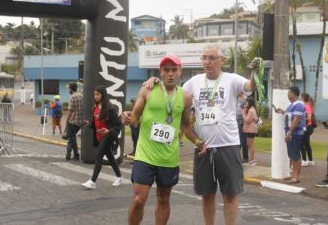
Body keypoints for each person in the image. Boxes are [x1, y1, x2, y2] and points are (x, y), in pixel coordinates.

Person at [144, 44, 256, 225]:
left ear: (222, 61)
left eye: (211, 58)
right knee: (207, 195)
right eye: (204, 58)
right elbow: (172, 90)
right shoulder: (194, 82)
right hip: (203, 146)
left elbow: (250, 85)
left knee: (230, 195)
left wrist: (255, 72)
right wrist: (155, 82)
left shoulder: (231, 79)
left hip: (228, 144)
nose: (207, 62)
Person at [121, 54, 202, 225]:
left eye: (174, 70)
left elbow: (186, 126)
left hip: (168, 159)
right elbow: (135, 117)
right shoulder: (148, 89)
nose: (170, 73)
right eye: (166, 70)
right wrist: (127, 118)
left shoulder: (185, 97)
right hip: (145, 156)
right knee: (138, 200)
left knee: (163, 199)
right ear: (161, 72)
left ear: (180, 72)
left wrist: (198, 142)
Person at [81, 85, 123, 189]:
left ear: (103, 95)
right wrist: (89, 124)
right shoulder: (95, 107)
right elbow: (96, 123)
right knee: (110, 157)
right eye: (94, 94)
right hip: (99, 136)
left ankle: (92, 181)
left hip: (107, 136)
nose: (95, 96)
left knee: (98, 156)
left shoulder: (110, 108)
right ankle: (119, 177)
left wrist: (109, 131)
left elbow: (117, 125)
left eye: (98, 94)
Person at [276, 86, 305, 184]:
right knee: (292, 155)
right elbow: (290, 115)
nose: (288, 95)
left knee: (295, 155)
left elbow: (296, 120)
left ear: (293, 93)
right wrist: (282, 111)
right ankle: (293, 174)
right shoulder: (292, 105)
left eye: (289, 93)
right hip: (291, 133)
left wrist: (289, 133)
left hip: (295, 133)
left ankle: (296, 176)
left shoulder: (299, 105)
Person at [65, 82, 83, 161]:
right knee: (71, 138)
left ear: (71, 89)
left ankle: (75, 154)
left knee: (72, 138)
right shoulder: (81, 96)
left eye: (68, 88)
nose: (68, 89)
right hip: (81, 121)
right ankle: (71, 151)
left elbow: (70, 110)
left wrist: (66, 121)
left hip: (72, 121)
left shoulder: (72, 97)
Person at [242, 97, 259, 166]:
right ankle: (252, 160)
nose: (245, 103)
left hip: (251, 130)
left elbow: (247, 120)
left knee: (250, 145)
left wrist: (243, 113)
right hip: (250, 129)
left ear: (249, 103)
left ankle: (252, 160)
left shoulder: (251, 110)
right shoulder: (251, 109)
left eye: (246, 102)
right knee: (250, 144)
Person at [300, 93, 314, 167]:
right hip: (308, 127)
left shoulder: (306, 106)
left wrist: (300, 118)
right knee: (307, 144)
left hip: (307, 127)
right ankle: (311, 160)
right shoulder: (307, 106)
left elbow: (308, 118)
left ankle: (304, 160)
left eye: (300, 97)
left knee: (302, 144)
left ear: (302, 98)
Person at [237, 93, 248, 163]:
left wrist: (244, 124)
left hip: (242, 121)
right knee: (237, 140)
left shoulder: (245, 99)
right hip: (236, 120)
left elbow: (246, 111)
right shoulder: (236, 98)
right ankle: (238, 156)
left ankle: (245, 157)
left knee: (243, 140)